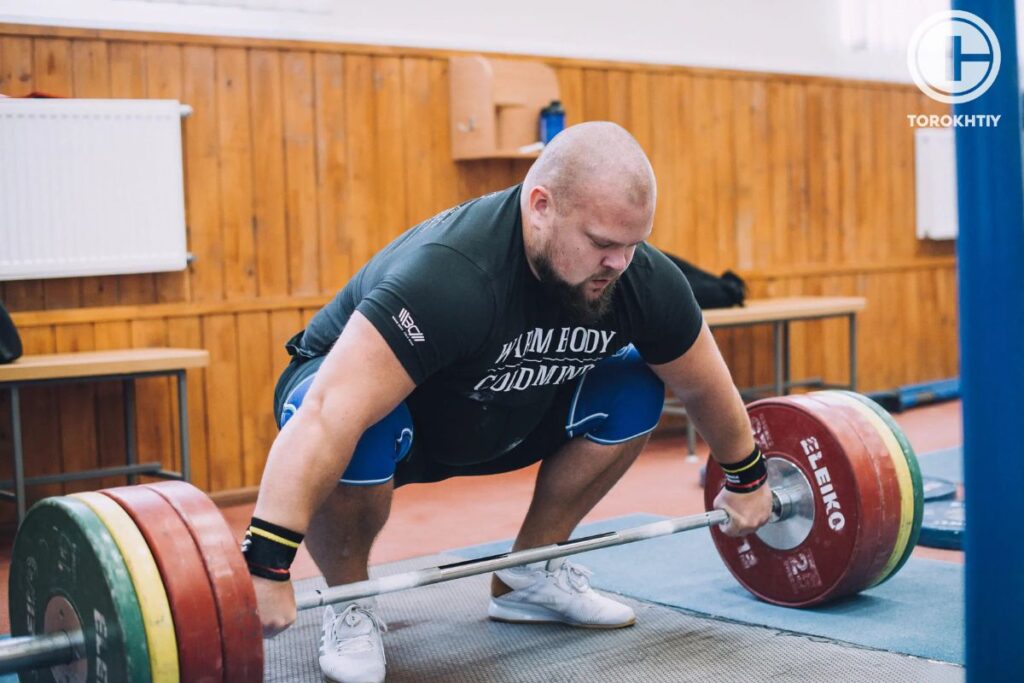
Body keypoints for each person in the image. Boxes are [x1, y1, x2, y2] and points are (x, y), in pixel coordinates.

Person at [243, 121, 773, 683]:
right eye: (601, 244)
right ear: (540, 205)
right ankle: (350, 600)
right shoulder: (452, 275)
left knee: (635, 386)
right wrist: (268, 560)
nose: (619, 263)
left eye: (632, 244)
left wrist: (747, 475)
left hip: (504, 410)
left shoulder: (638, 278)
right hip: (381, 417)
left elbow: (703, 382)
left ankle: (529, 576)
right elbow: (328, 412)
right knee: (362, 422)